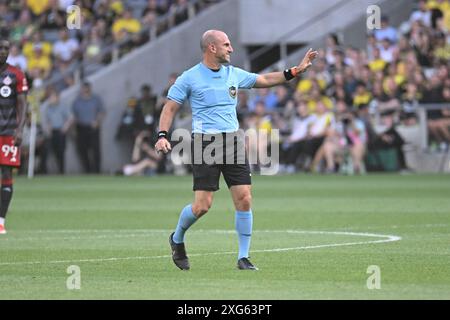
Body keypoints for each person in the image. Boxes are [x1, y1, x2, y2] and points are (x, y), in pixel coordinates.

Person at [155, 30, 317, 271]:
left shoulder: (234, 74)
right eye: (226, 45)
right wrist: (162, 136)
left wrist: (294, 71)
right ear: (212, 48)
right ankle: (177, 238)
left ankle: (243, 257)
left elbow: (263, 80)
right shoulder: (189, 78)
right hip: (205, 144)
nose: (231, 49)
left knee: (244, 199)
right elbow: (169, 109)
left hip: (232, 142)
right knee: (202, 206)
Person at [0, 39, 28, 234]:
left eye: (6, 49)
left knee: (6, 174)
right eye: (0, 48)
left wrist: (20, 130)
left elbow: (23, 105)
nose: (3, 52)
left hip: (8, 133)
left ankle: (0, 221)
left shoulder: (16, 74)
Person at [72, 81, 105, 173]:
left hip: (93, 127)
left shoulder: (96, 99)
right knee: (82, 150)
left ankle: (97, 171)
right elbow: (74, 116)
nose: (85, 90)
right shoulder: (77, 101)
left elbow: (101, 111)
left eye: (87, 88)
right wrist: (74, 128)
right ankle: (87, 170)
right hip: (81, 127)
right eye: (84, 89)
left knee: (95, 150)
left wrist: (97, 121)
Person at [44, 89, 73, 174]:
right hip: (52, 131)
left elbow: (70, 117)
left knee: (61, 152)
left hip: (60, 131)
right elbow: (48, 120)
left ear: (57, 98)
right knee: (52, 151)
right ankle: (50, 171)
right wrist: (48, 129)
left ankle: (61, 171)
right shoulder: (48, 108)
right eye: (50, 98)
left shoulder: (62, 106)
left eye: (52, 97)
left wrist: (65, 127)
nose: (51, 99)